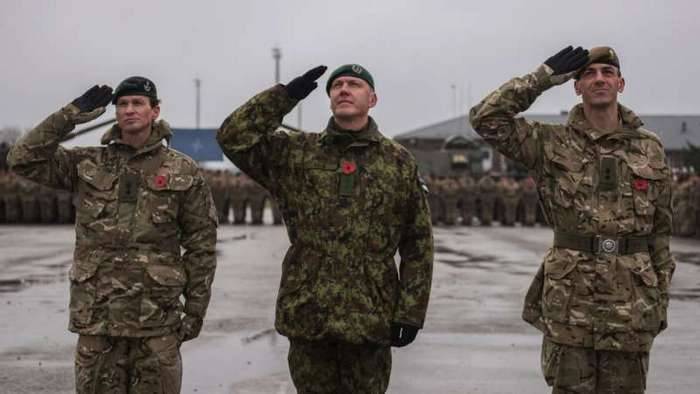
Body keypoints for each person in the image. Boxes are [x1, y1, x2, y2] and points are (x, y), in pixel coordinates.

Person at [217, 64, 433, 393]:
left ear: (372, 99)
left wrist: (411, 312)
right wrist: (283, 98)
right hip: (309, 311)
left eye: (355, 84)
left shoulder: (398, 162)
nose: (344, 89)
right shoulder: (296, 153)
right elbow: (232, 137)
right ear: (329, 99)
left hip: (370, 315)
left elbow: (417, 243)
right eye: (337, 85)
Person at [470, 46, 675, 393]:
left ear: (620, 83)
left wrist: (659, 296)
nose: (599, 79)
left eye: (607, 73)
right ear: (576, 86)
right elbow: (485, 118)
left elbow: (661, 230)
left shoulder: (649, 147)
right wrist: (543, 77)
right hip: (571, 299)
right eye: (588, 74)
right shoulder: (549, 142)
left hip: (633, 301)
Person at [8, 77, 218, 393]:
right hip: (98, 320)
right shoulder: (87, 162)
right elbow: (22, 159)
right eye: (122, 104)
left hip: (156, 322)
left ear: (155, 110)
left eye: (137, 103)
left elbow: (201, 244)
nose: (129, 110)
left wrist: (194, 313)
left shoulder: (182, 170)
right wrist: (70, 115)